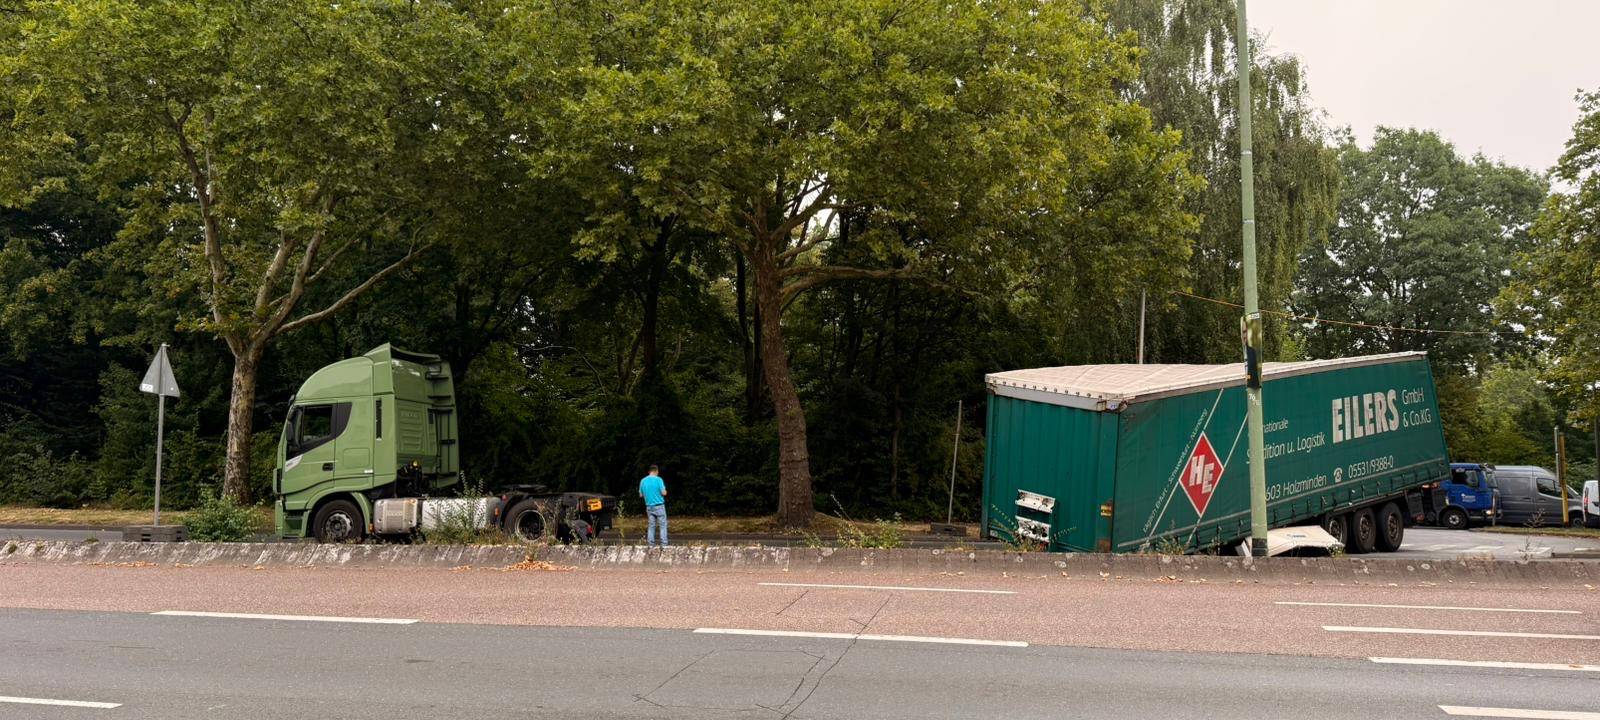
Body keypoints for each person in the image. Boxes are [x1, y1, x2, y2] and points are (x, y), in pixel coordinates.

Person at [639, 464, 668, 548]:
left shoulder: (642, 481)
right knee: (662, 525)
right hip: (659, 506)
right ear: (656, 471)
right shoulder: (659, 479)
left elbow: (641, 495)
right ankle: (664, 545)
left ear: (649, 471)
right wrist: (665, 492)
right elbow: (663, 492)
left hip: (649, 506)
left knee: (651, 526)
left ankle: (650, 545)